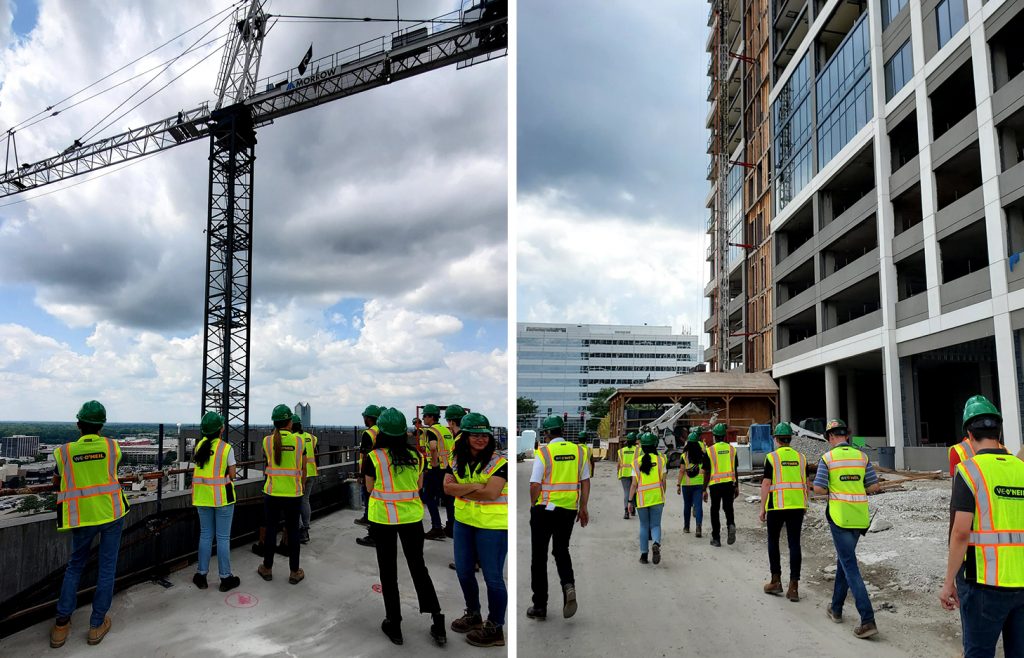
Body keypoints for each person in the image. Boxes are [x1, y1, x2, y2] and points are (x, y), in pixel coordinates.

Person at [938, 395, 1024, 657]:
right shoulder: (1020, 468)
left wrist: (948, 581)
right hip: (1021, 581)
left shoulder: (969, 471)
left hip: (983, 582)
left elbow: (961, 531)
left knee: (979, 652)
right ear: (998, 431)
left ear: (968, 434)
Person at [49, 401, 130, 648]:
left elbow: (56, 482)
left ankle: (61, 625)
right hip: (111, 514)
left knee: (75, 567)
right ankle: (96, 626)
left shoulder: (64, 452)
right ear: (101, 425)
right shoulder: (112, 447)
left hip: (80, 517)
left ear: (78, 424)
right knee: (107, 568)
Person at [364, 407, 446, 646]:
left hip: (383, 520)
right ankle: (438, 621)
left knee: (388, 572)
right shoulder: (416, 456)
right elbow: (418, 485)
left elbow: (370, 489)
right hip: (411, 519)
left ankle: (395, 624)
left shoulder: (374, 457)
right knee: (418, 567)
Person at [444, 412, 508, 648]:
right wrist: (474, 486)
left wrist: (460, 488)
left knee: (493, 578)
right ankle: (474, 614)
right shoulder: (456, 458)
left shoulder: (500, 463)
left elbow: (491, 493)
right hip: (464, 523)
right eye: (475, 435)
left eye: (484, 435)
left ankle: (495, 628)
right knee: (463, 572)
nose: (481, 439)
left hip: (493, 526)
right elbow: (446, 489)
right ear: (465, 436)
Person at [814, 418, 880, 639]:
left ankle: (867, 618)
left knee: (850, 566)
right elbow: (873, 486)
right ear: (847, 436)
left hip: (840, 518)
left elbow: (820, 489)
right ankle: (836, 608)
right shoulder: (862, 457)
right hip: (860, 518)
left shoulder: (827, 458)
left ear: (831, 437)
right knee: (845, 561)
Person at [528, 414, 590, 621]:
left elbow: (535, 484)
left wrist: (533, 504)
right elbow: (585, 481)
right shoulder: (579, 451)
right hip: (568, 510)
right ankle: (568, 585)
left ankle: (539, 606)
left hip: (544, 509)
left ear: (546, 433)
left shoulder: (544, 452)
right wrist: (583, 507)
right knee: (561, 550)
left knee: (539, 556)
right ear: (562, 431)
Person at [191, 411, 240, 592]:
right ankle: (225, 578)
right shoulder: (226, 448)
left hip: (202, 498)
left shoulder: (199, 446)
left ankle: (201, 575)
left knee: (205, 536)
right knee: (223, 538)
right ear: (221, 429)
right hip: (222, 499)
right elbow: (233, 475)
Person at [758, 422, 807, 602]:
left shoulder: (771, 458)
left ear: (776, 439)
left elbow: (766, 483)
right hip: (796, 506)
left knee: (773, 541)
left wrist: (762, 507)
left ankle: (776, 580)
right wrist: (804, 505)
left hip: (777, 506)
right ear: (790, 439)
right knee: (794, 544)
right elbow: (805, 482)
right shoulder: (801, 457)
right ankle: (793, 587)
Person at [258, 404, 307, 585]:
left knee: (271, 529)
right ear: (290, 422)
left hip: (272, 493)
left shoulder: (267, 441)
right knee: (293, 531)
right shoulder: (299, 441)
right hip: (293, 494)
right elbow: (302, 466)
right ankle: (294, 572)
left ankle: (267, 568)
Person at [629, 432, 667, 564]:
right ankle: (656, 543)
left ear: (642, 447)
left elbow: (634, 484)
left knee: (644, 526)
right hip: (657, 498)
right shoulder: (661, 460)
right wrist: (663, 495)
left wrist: (629, 501)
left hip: (642, 499)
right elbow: (663, 482)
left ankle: (644, 555)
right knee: (656, 525)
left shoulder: (635, 463)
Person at [948, 400, 1009, 476]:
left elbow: (955, 482)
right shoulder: (1011, 457)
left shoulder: (957, 451)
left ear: (969, 433)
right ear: (999, 432)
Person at [422, 404, 455, 539]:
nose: (423, 418)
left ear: (430, 417)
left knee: (429, 497)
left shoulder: (432, 431)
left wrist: (434, 467)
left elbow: (433, 448)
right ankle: (451, 526)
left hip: (435, 469)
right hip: (448, 468)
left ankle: (436, 527)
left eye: (424, 416)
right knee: (448, 499)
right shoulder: (446, 430)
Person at [705, 423, 738, 548]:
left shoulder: (710, 450)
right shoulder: (732, 450)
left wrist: (704, 489)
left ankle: (716, 538)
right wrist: (737, 486)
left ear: (714, 436)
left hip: (715, 485)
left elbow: (707, 472)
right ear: (724, 436)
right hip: (729, 483)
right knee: (728, 507)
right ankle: (731, 524)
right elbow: (735, 469)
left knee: (715, 510)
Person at [355, 404, 381, 547]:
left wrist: (362, 474)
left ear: (369, 419)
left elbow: (365, 456)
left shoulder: (368, 433)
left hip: (370, 473)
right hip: (381, 471)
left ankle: (373, 535)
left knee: (370, 501)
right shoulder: (381, 430)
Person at [677, 430, 710, 537]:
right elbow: (705, 471)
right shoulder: (702, 455)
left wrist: (678, 484)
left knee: (687, 505)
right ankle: (698, 527)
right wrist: (705, 487)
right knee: (698, 505)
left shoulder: (684, 456)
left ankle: (686, 527)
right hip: (699, 484)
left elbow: (682, 471)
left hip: (686, 485)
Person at [294, 414, 319, 544]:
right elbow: (315, 452)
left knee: (296, 502)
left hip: (300, 474)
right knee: (305, 500)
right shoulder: (311, 437)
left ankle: (301, 529)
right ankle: (306, 526)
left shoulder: (294, 439)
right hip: (312, 472)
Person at [617, 432, 638, 519]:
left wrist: (618, 472)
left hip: (624, 473)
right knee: (634, 490)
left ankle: (626, 511)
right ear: (635, 441)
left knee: (626, 492)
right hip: (635, 473)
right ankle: (632, 509)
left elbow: (618, 463)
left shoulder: (621, 451)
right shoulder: (638, 450)